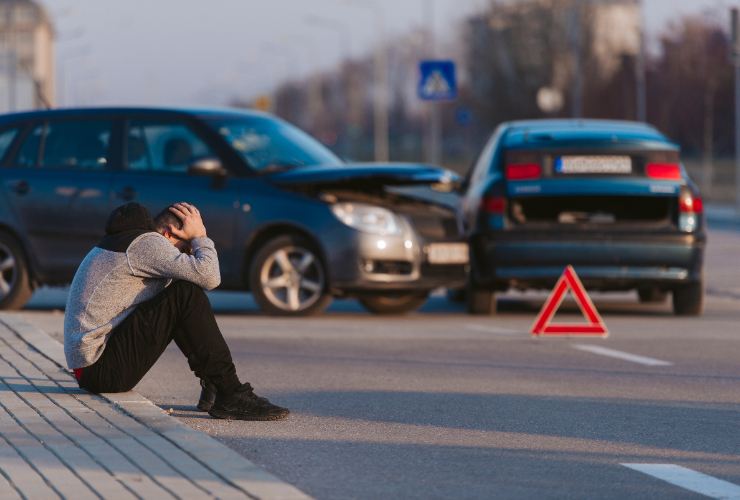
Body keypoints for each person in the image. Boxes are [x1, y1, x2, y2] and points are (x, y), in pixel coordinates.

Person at [63, 201, 289, 421]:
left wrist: (192, 242)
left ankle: (215, 385)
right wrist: (200, 237)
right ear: (169, 233)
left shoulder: (128, 241)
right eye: (185, 248)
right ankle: (230, 392)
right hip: (101, 370)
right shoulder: (147, 244)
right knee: (184, 293)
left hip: (92, 368)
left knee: (179, 290)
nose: (187, 255)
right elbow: (210, 277)